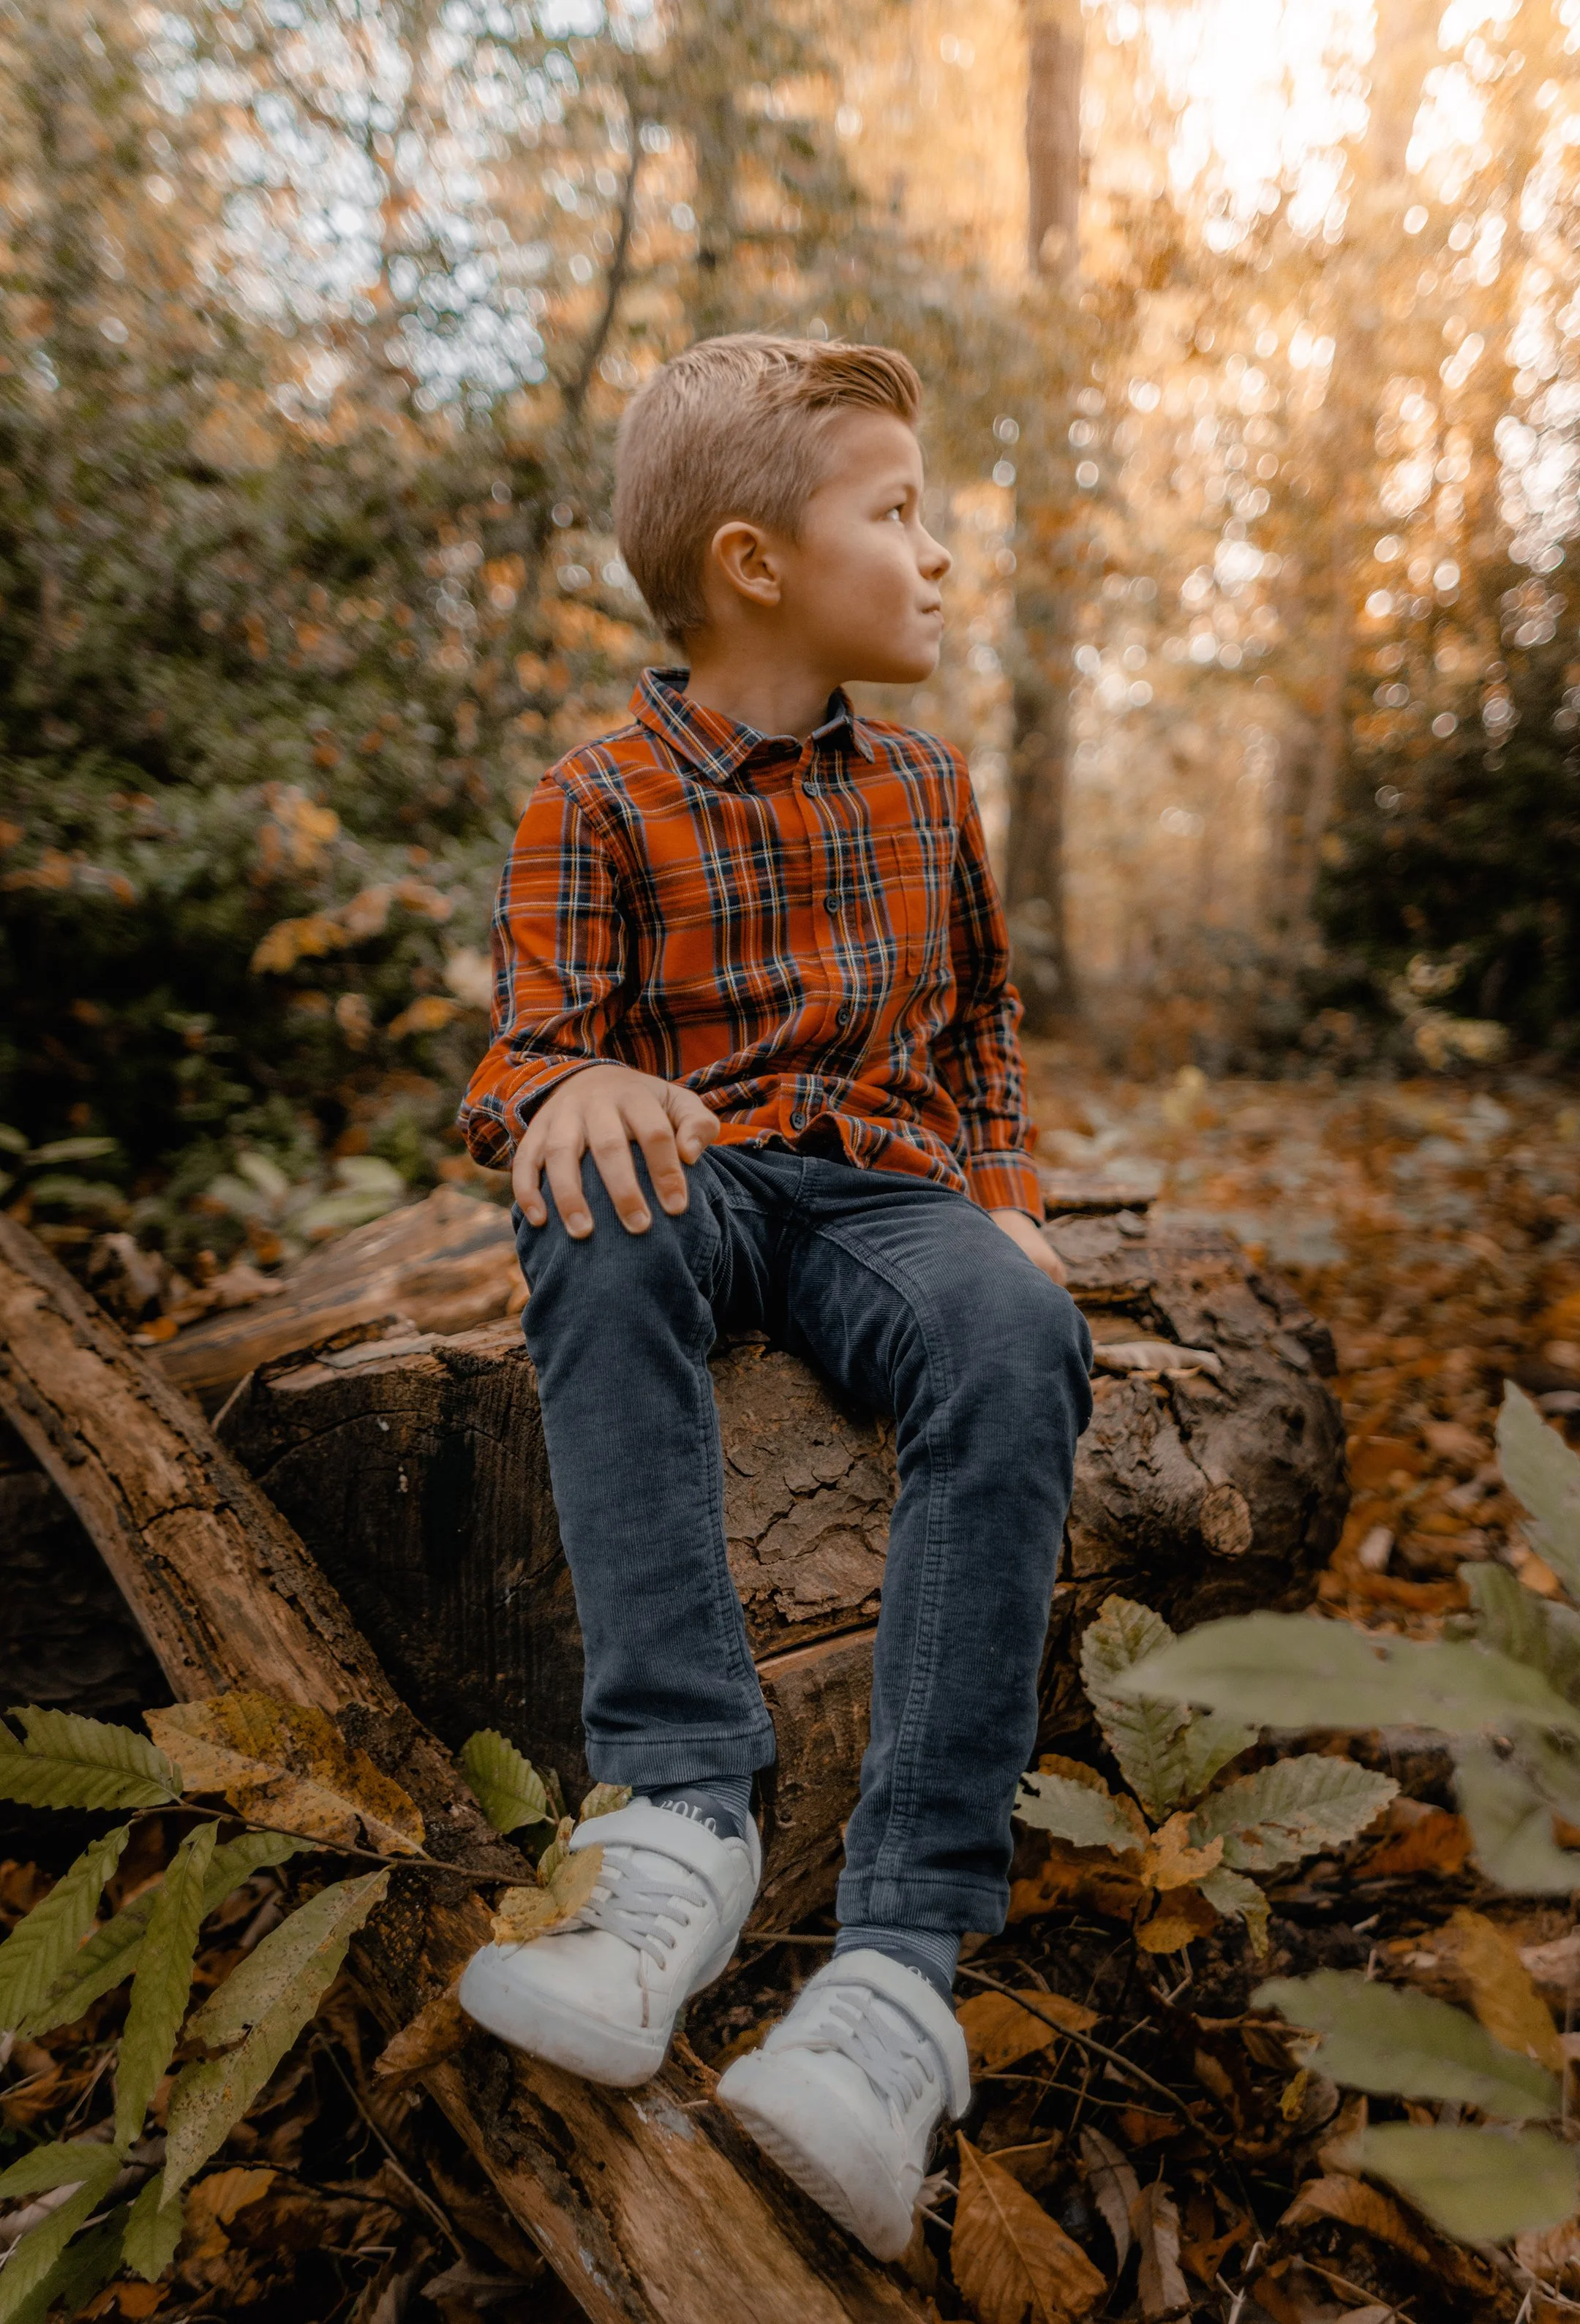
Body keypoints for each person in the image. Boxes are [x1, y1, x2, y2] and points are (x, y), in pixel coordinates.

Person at [454, 333, 1094, 2260]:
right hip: (710, 1182)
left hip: (886, 1201)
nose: (939, 555)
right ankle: (676, 1825)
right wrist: (577, 1088)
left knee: (1015, 1333)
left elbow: (979, 1046)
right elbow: (522, 1067)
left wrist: (1009, 1210)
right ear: (756, 563)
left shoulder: (926, 790)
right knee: (599, 1212)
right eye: (896, 514)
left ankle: (894, 1984)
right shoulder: (595, 801)